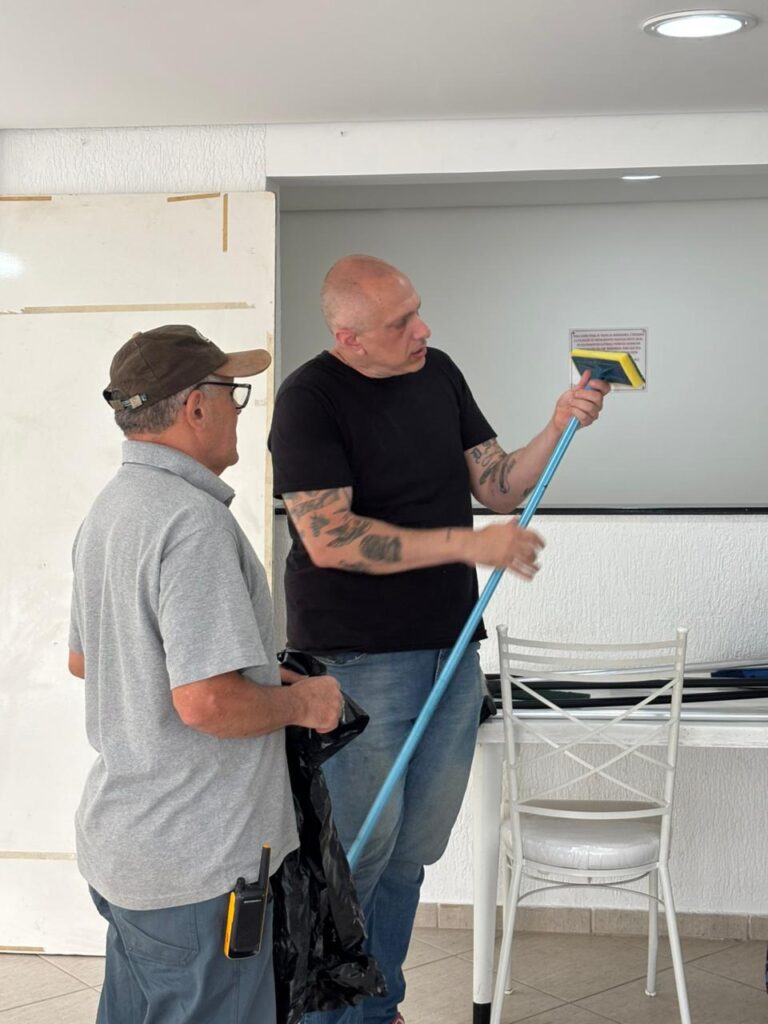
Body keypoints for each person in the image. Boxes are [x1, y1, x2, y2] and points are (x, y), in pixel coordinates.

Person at [268, 255, 609, 1024]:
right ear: (350, 337)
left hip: (450, 651)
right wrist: (469, 544)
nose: (422, 329)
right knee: (359, 851)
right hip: (358, 659)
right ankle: (329, 1016)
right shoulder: (308, 400)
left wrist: (559, 422)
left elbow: (496, 483)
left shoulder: (439, 372)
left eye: (418, 310)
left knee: (412, 851)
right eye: (401, 322)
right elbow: (329, 537)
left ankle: (377, 1006)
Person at [68, 324, 343, 1024]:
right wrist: (305, 703)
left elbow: (87, 658)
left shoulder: (112, 509)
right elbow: (206, 703)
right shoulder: (192, 523)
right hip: (199, 866)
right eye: (232, 393)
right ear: (195, 406)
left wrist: (255, 676)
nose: (238, 410)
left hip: (130, 850)